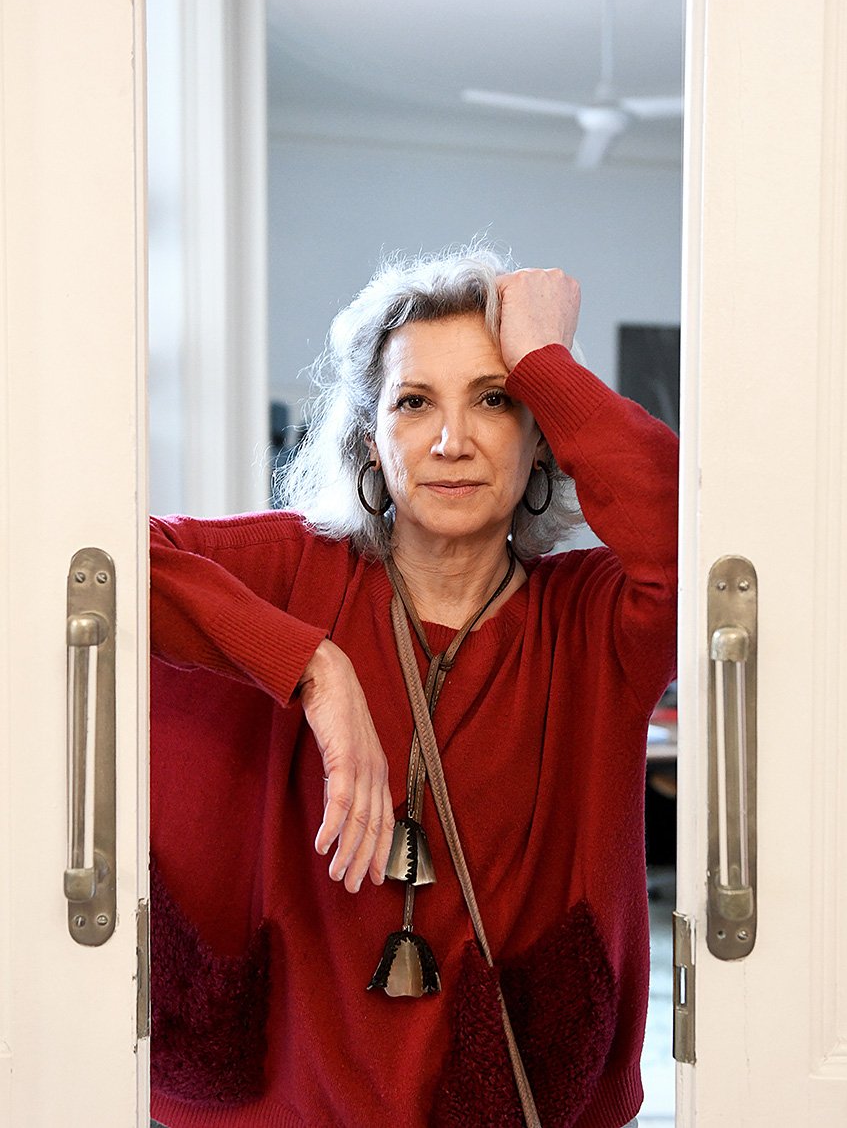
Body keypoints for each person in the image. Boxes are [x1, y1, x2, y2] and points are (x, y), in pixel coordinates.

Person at [148, 246, 677, 1128]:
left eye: (495, 399)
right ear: (370, 437)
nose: (451, 440)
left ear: (540, 435)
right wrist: (312, 665)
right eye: (414, 401)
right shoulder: (292, 572)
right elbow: (102, 557)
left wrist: (546, 359)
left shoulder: (592, 619)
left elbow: (688, 542)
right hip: (296, 1103)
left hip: (517, 1096)